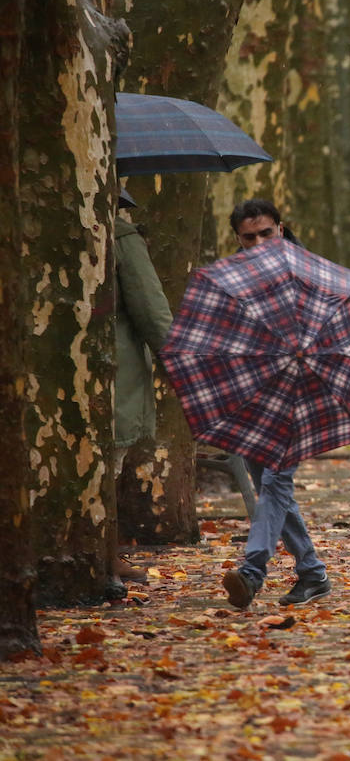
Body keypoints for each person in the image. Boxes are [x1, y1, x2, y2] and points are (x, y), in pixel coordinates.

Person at [221, 198, 331, 609]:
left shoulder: (311, 274)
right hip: (254, 395)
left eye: (266, 233)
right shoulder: (230, 279)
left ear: (280, 230)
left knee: (275, 483)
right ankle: (312, 573)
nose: (259, 242)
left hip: (300, 393)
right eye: (249, 237)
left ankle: (252, 572)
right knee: (271, 487)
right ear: (238, 239)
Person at [112, 187, 173, 588]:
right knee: (107, 466)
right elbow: (151, 311)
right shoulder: (121, 236)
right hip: (113, 375)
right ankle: (104, 556)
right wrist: (178, 363)